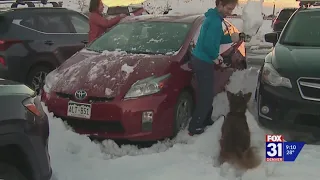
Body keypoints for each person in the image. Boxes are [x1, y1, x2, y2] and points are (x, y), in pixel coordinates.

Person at [188, 0, 243, 136]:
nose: (230, 12)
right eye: (228, 9)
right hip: (203, 61)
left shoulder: (213, 18)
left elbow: (216, 39)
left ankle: (205, 120)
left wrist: (233, 37)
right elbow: (208, 46)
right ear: (219, 5)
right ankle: (195, 126)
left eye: (231, 9)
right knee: (206, 96)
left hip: (201, 59)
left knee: (207, 92)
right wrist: (217, 58)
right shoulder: (214, 22)